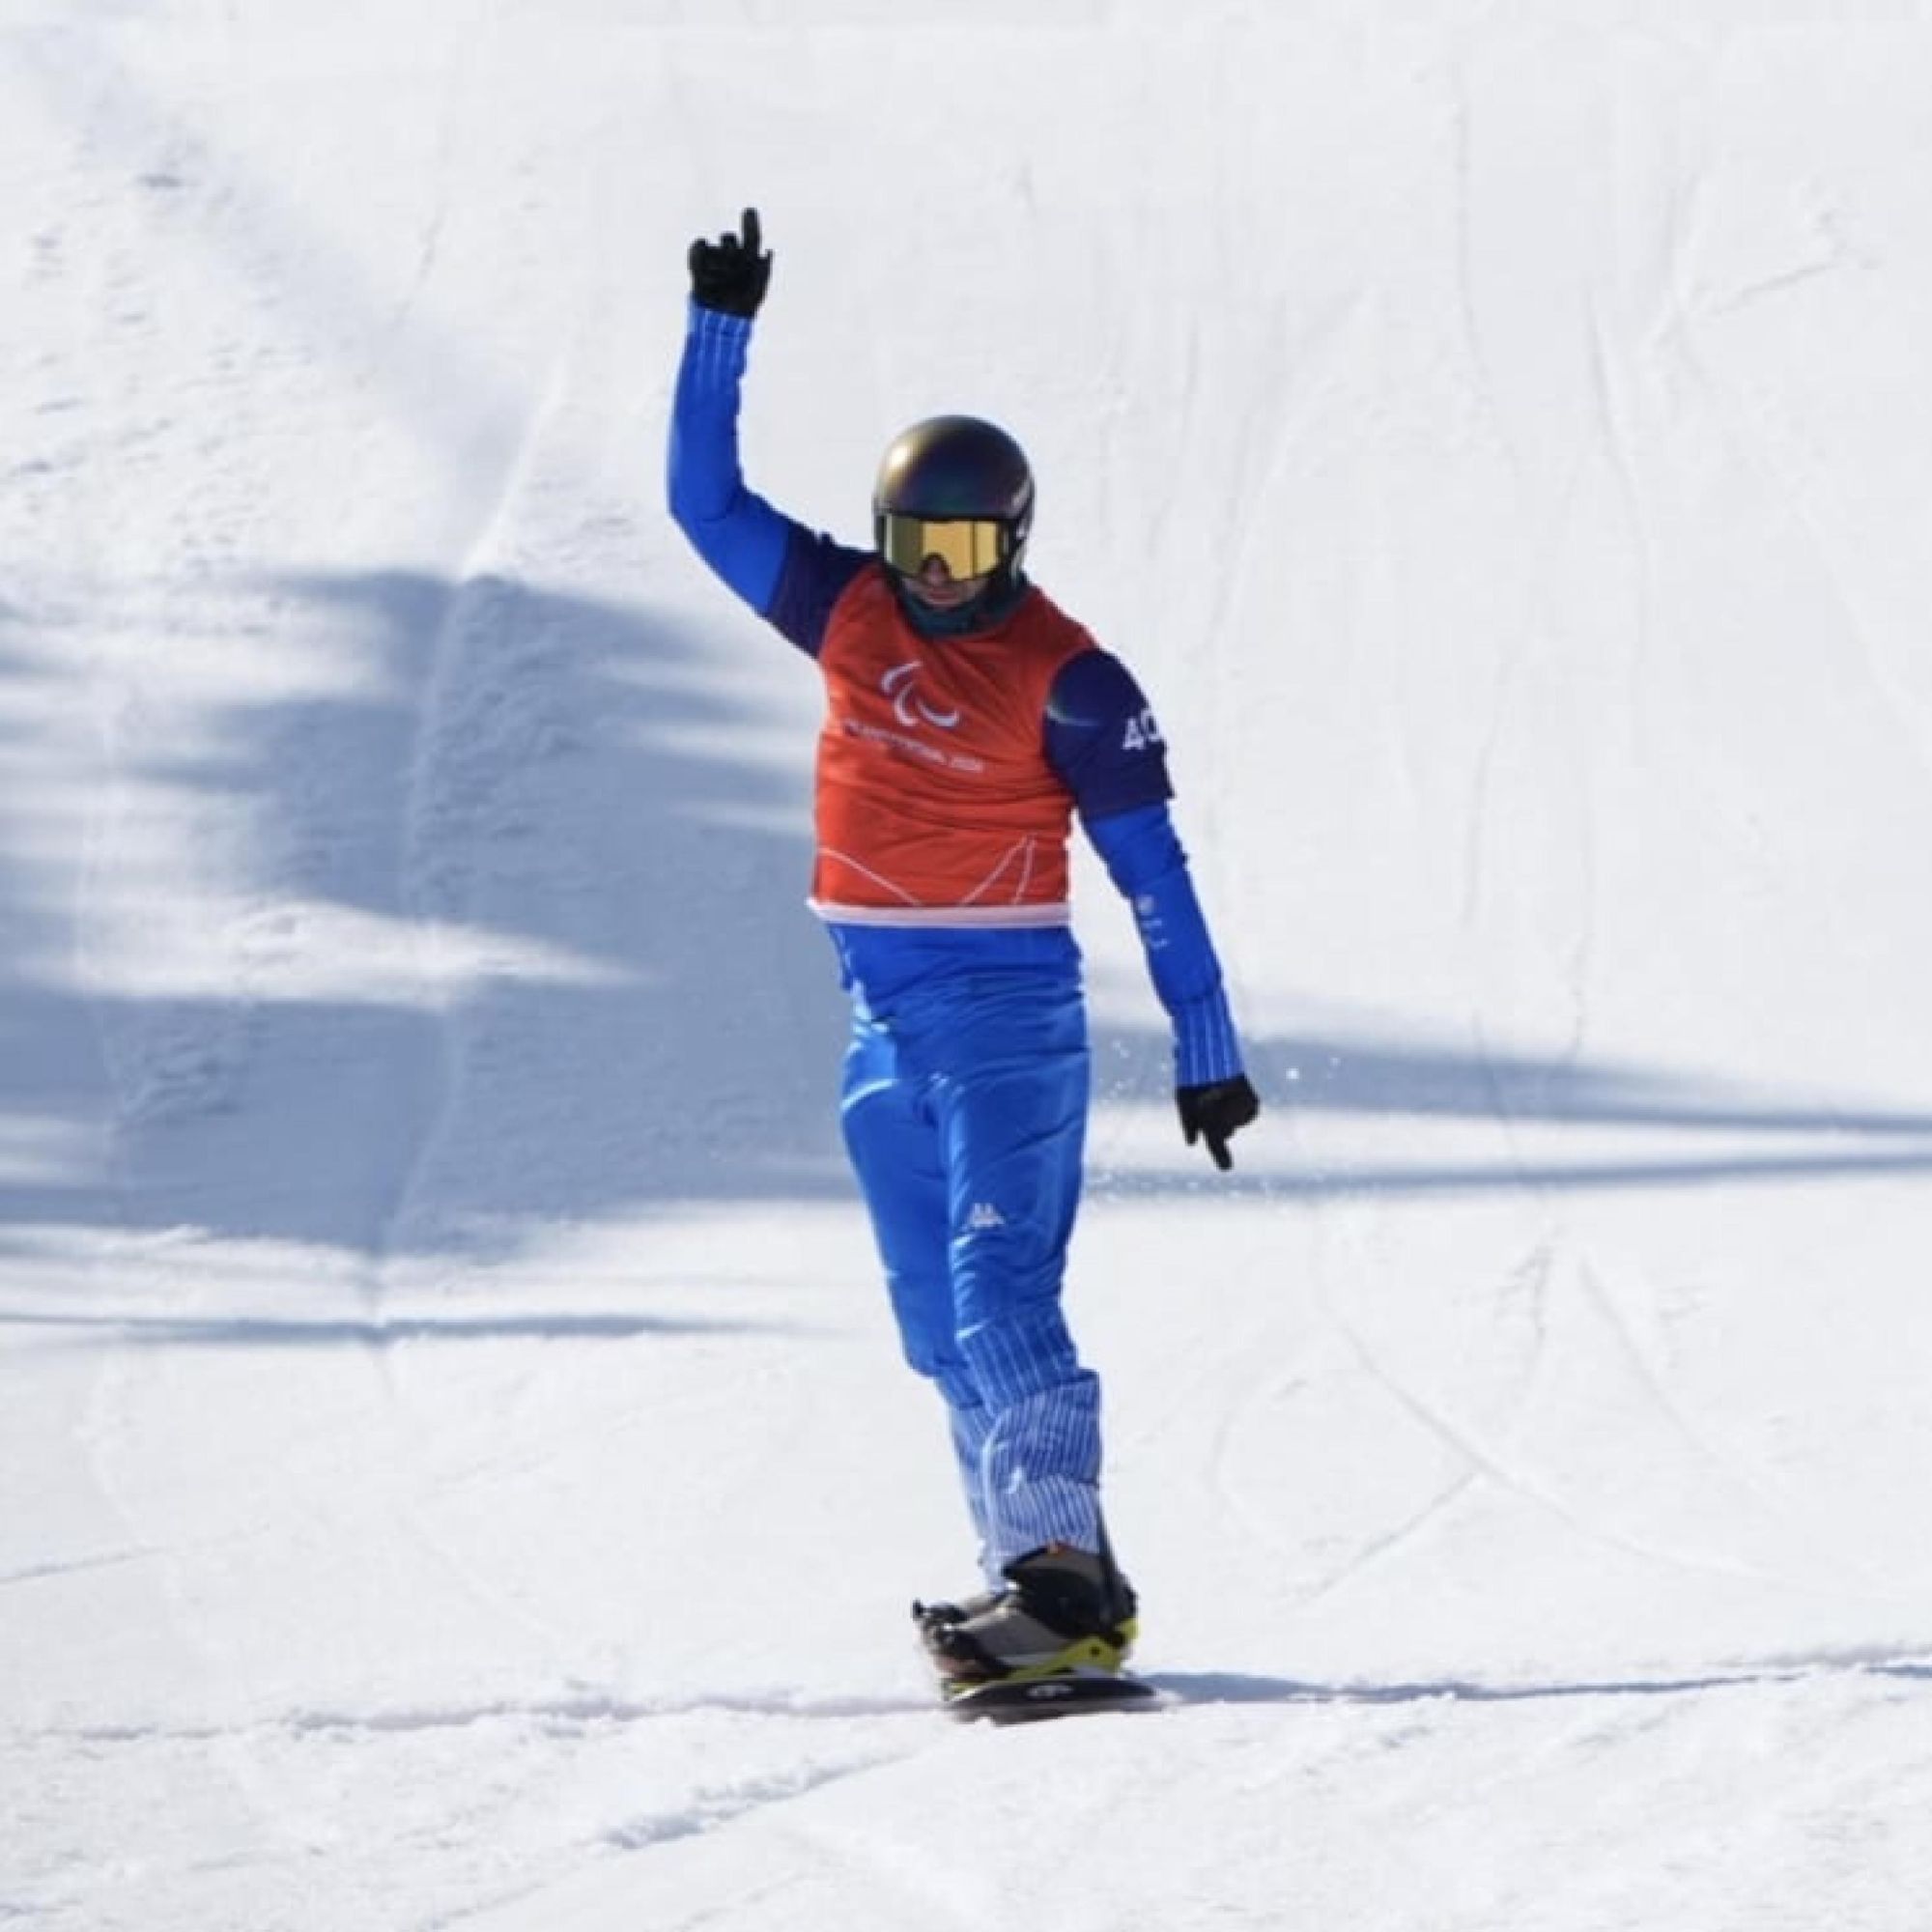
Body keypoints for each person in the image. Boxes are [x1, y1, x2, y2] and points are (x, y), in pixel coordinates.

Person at [667, 208, 1259, 1694]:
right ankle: (1047, 1584)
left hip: (1006, 1020)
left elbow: (1154, 875)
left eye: (967, 548)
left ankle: (1059, 1582)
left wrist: (1207, 1045)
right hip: (881, 1022)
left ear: (1014, 541)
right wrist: (718, 330)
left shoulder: (1071, 678)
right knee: (938, 1325)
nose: (939, 576)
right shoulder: (846, 609)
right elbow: (703, 505)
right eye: (918, 546)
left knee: (1004, 1294)